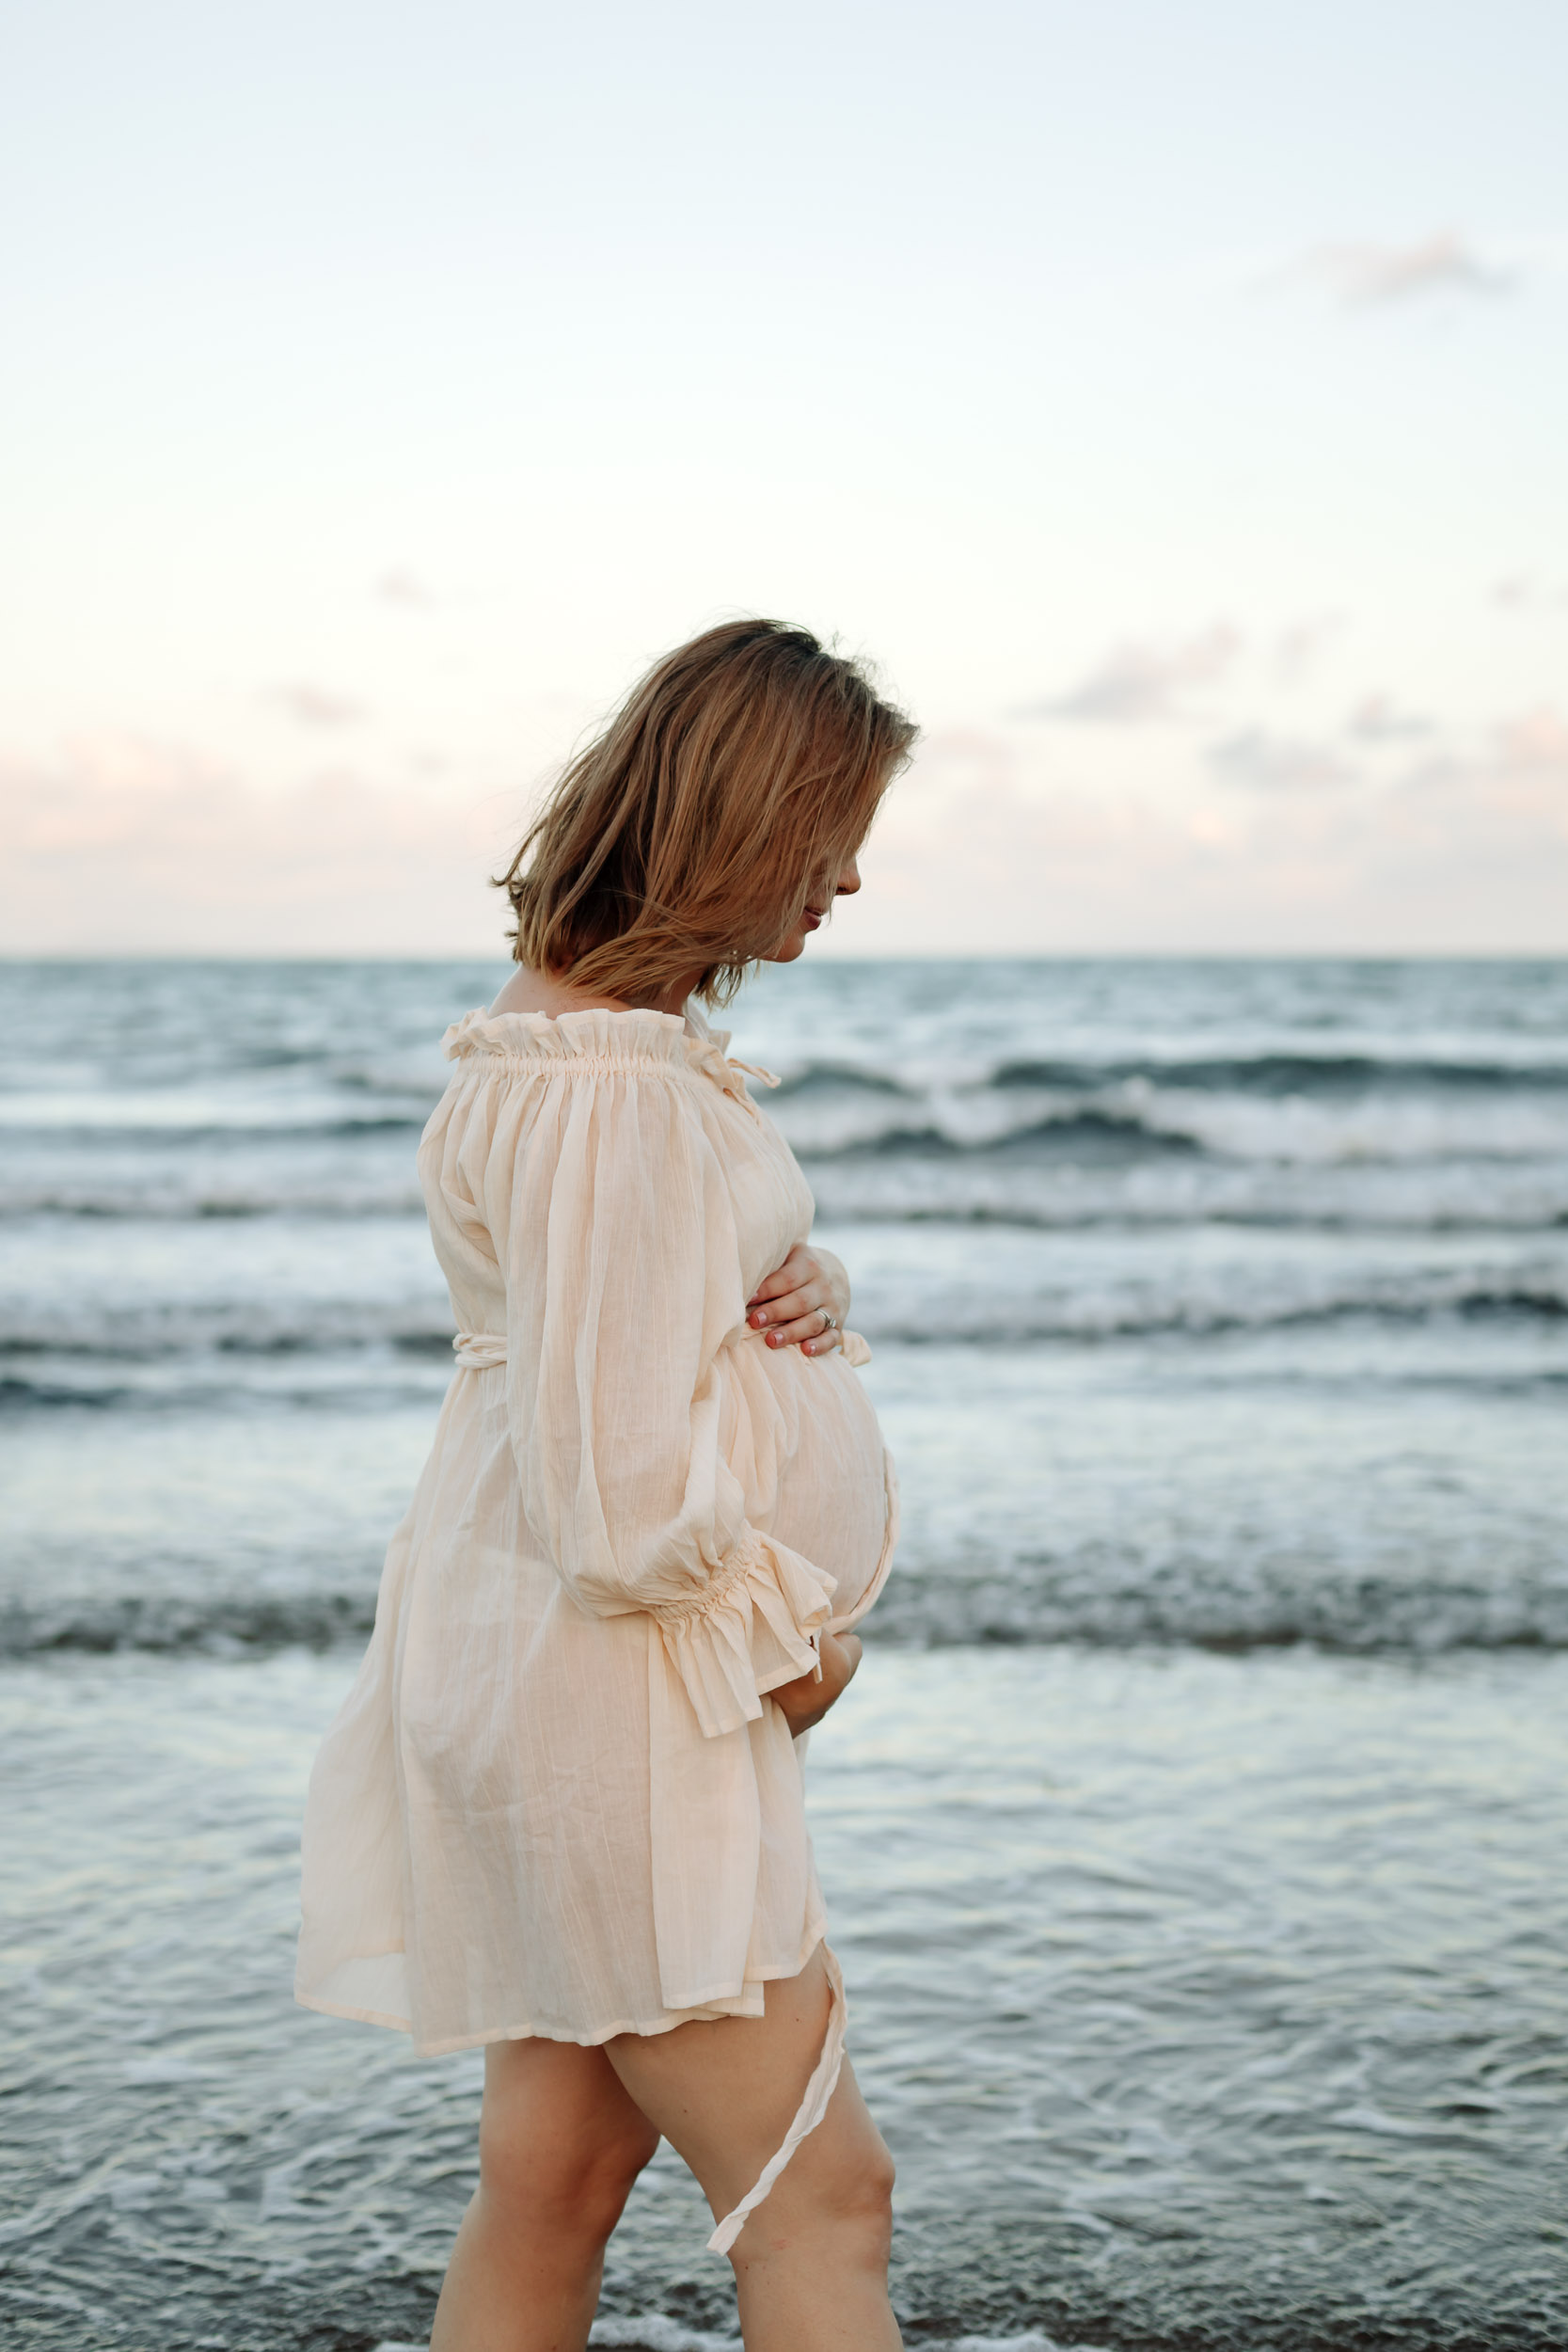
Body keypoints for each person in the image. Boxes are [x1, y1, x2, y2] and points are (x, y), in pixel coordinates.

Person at [295, 617, 917, 2351]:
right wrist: (792, 1651)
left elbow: (591, 1342)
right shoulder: (613, 1091)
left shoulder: (554, 1047)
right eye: (834, 830)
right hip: (619, 1690)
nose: (853, 879)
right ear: (747, 818)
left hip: (531, 1659)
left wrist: (807, 1288)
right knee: (821, 2202)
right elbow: (614, 1472)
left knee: (553, 2189)